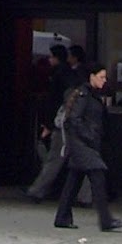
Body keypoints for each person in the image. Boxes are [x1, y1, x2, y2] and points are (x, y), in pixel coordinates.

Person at [53, 62, 122, 233]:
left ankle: (62, 217)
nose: (104, 81)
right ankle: (105, 220)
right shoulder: (84, 95)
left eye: (105, 77)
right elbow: (74, 120)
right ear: (91, 77)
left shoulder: (91, 95)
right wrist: (90, 136)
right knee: (98, 177)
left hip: (84, 144)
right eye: (101, 77)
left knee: (73, 181)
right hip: (83, 145)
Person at [27, 43, 75, 201]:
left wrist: (49, 123)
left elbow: (54, 101)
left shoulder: (58, 75)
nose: (49, 59)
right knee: (81, 159)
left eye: (51, 56)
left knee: (53, 159)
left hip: (61, 124)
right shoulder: (70, 74)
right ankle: (86, 195)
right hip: (73, 123)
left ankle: (38, 190)